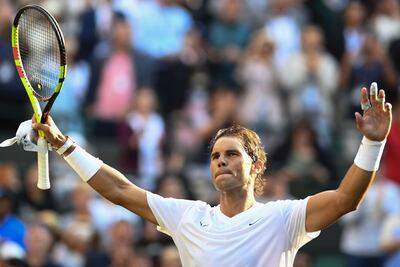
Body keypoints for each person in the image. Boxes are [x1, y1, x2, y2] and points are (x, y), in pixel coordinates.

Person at [30, 84, 392, 267]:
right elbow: (121, 190)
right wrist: (63, 144)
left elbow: (346, 198)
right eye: (215, 155)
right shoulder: (189, 217)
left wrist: (372, 144)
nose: (220, 161)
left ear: (257, 166)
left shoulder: (283, 218)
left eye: (232, 154)